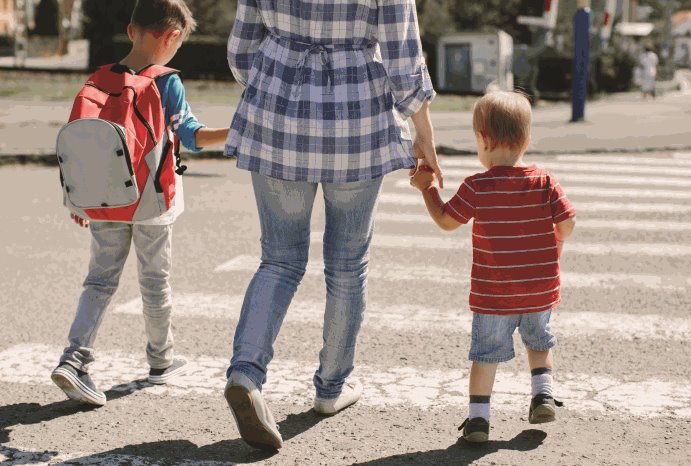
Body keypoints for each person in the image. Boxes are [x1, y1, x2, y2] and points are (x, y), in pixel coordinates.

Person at [224, 0, 442, 450]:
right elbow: (402, 56)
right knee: (346, 266)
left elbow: (243, 48)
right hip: (356, 123)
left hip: (278, 120)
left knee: (279, 261)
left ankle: (246, 373)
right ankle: (331, 389)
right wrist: (423, 131)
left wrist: (275, 89)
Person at [50, 0, 229, 407]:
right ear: (172, 37)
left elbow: (82, 146)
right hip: (152, 201)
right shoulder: (166, 82)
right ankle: (161, 359)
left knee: (98, 281)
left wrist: (80, 201)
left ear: (131, 31)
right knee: (155, 282)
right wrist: (236, 133)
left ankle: (74, 357)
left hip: (103, 200)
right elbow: (193, 137)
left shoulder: (97, 80)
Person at [409, 91, 576, 443]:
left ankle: (479, 420)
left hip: (493, 295)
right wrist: (555, 248)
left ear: (483, 140)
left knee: (485, 356)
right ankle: (542, 395)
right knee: (539, 343)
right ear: (526, 140)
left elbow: (445, 220)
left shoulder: (477, 186)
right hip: (539, 289)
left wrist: (427, 189)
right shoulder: (545, 181)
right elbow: (567, 223)